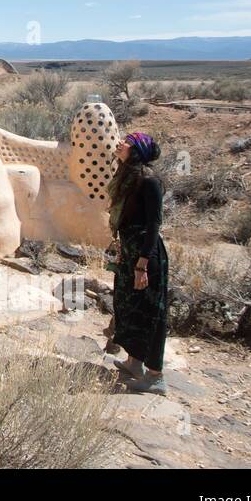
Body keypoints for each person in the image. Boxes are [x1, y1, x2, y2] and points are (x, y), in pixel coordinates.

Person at [106, 132, 169, 395]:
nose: (120, 143)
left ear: (137, 150)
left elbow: (154, 224)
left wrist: (142, 265)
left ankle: (155, 376)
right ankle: (134, 361)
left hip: (146, 254)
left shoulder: (149, 181)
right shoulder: (128, 176)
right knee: (127, 304)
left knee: (149, 312)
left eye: (127, 142)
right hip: (130, 251)